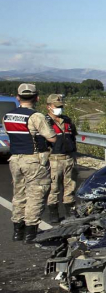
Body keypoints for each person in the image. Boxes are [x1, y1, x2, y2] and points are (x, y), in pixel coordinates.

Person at [2, 84, 57, 243]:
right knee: (36, 194)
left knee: (19, 194)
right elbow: (52, 138)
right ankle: (30, 232)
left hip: (15, 160)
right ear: (37, 97)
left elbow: (11, 134)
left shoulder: (7, 116)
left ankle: (17, 231)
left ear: (18, 97)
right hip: (33, 159)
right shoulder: (36, 116)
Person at [44, 93, 78, 225]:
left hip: (68, 158)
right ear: (49, 107)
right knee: (53, 187)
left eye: (61, 106)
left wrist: (74, 155)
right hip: (53, 159)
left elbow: (73, 137)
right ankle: (54, 212)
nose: (59, 109)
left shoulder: (67, 121)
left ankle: (70, 211)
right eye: (56, 106)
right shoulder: (45, 122)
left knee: (70, 186)